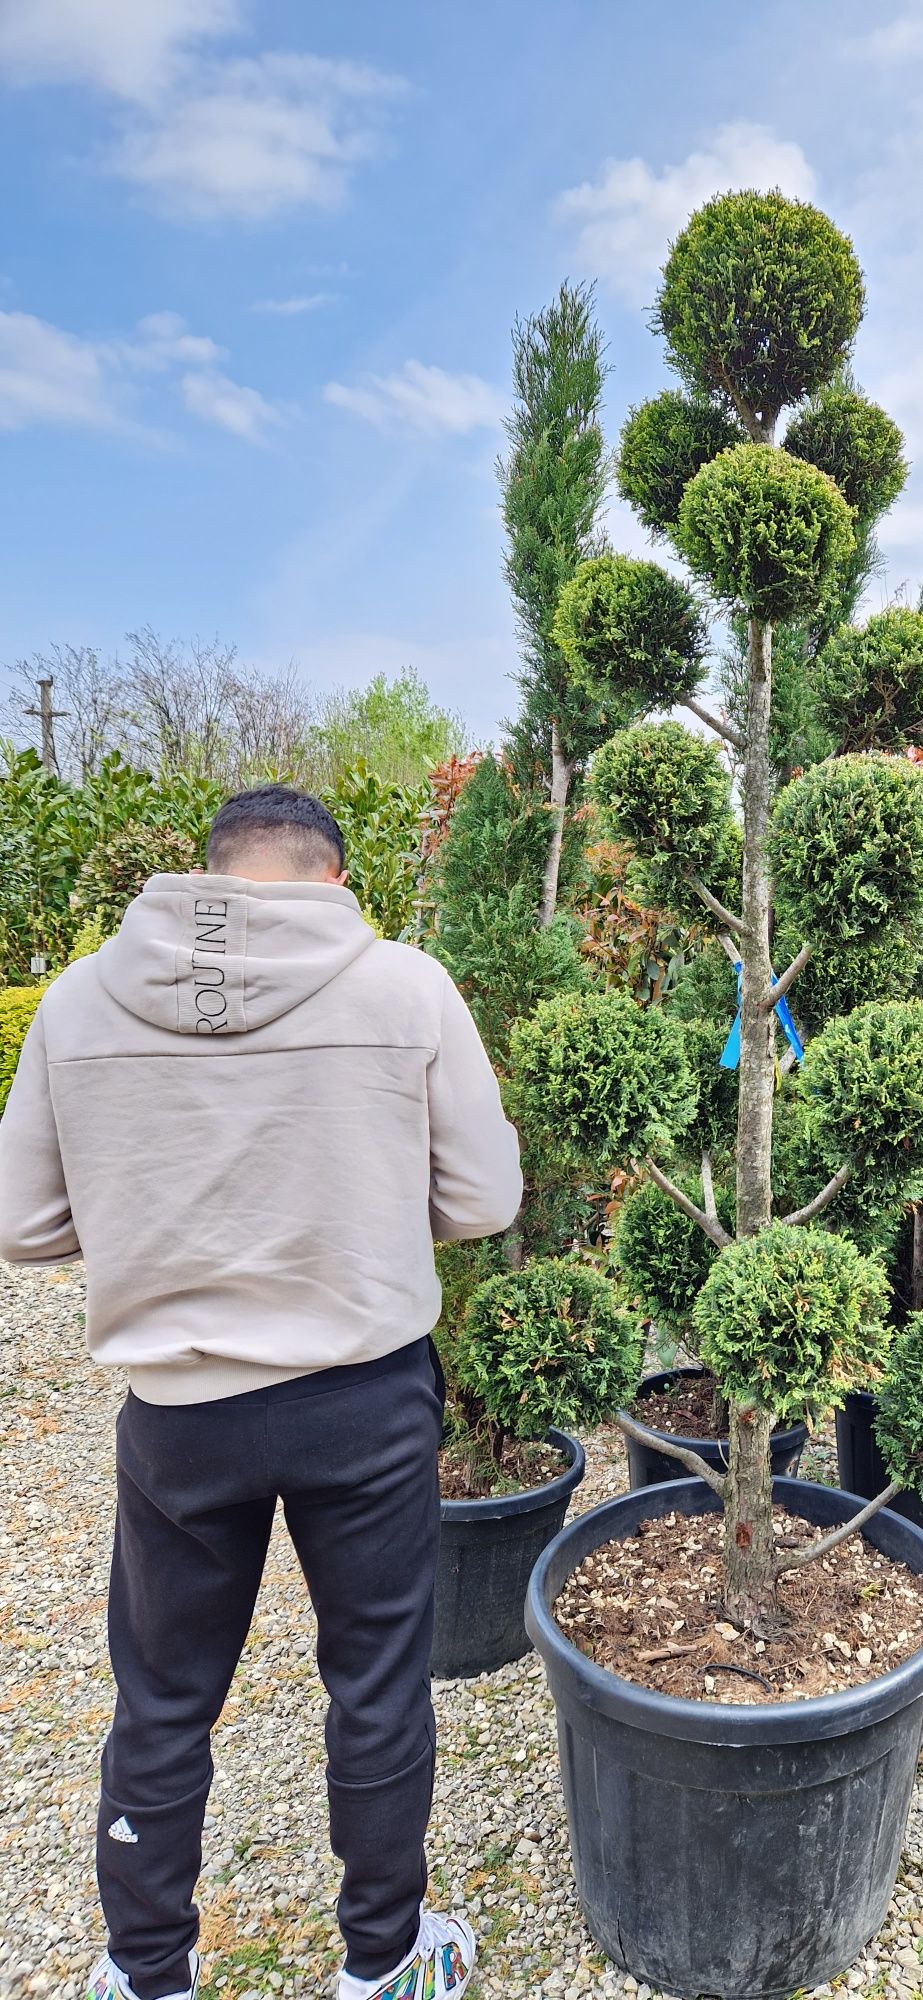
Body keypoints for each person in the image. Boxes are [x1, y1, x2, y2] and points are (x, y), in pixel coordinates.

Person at [0, 785, 522, 2000]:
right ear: (335, 883)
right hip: (366, 1397)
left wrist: (157, 1222)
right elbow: (487, 1199)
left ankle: (144, 1975)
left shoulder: (79, 1001)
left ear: (208, 877)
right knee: (378, 1682)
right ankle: (383, 1963)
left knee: (165, 1697)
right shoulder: (404, 986)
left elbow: (22, 1221)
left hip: (180, 1416)